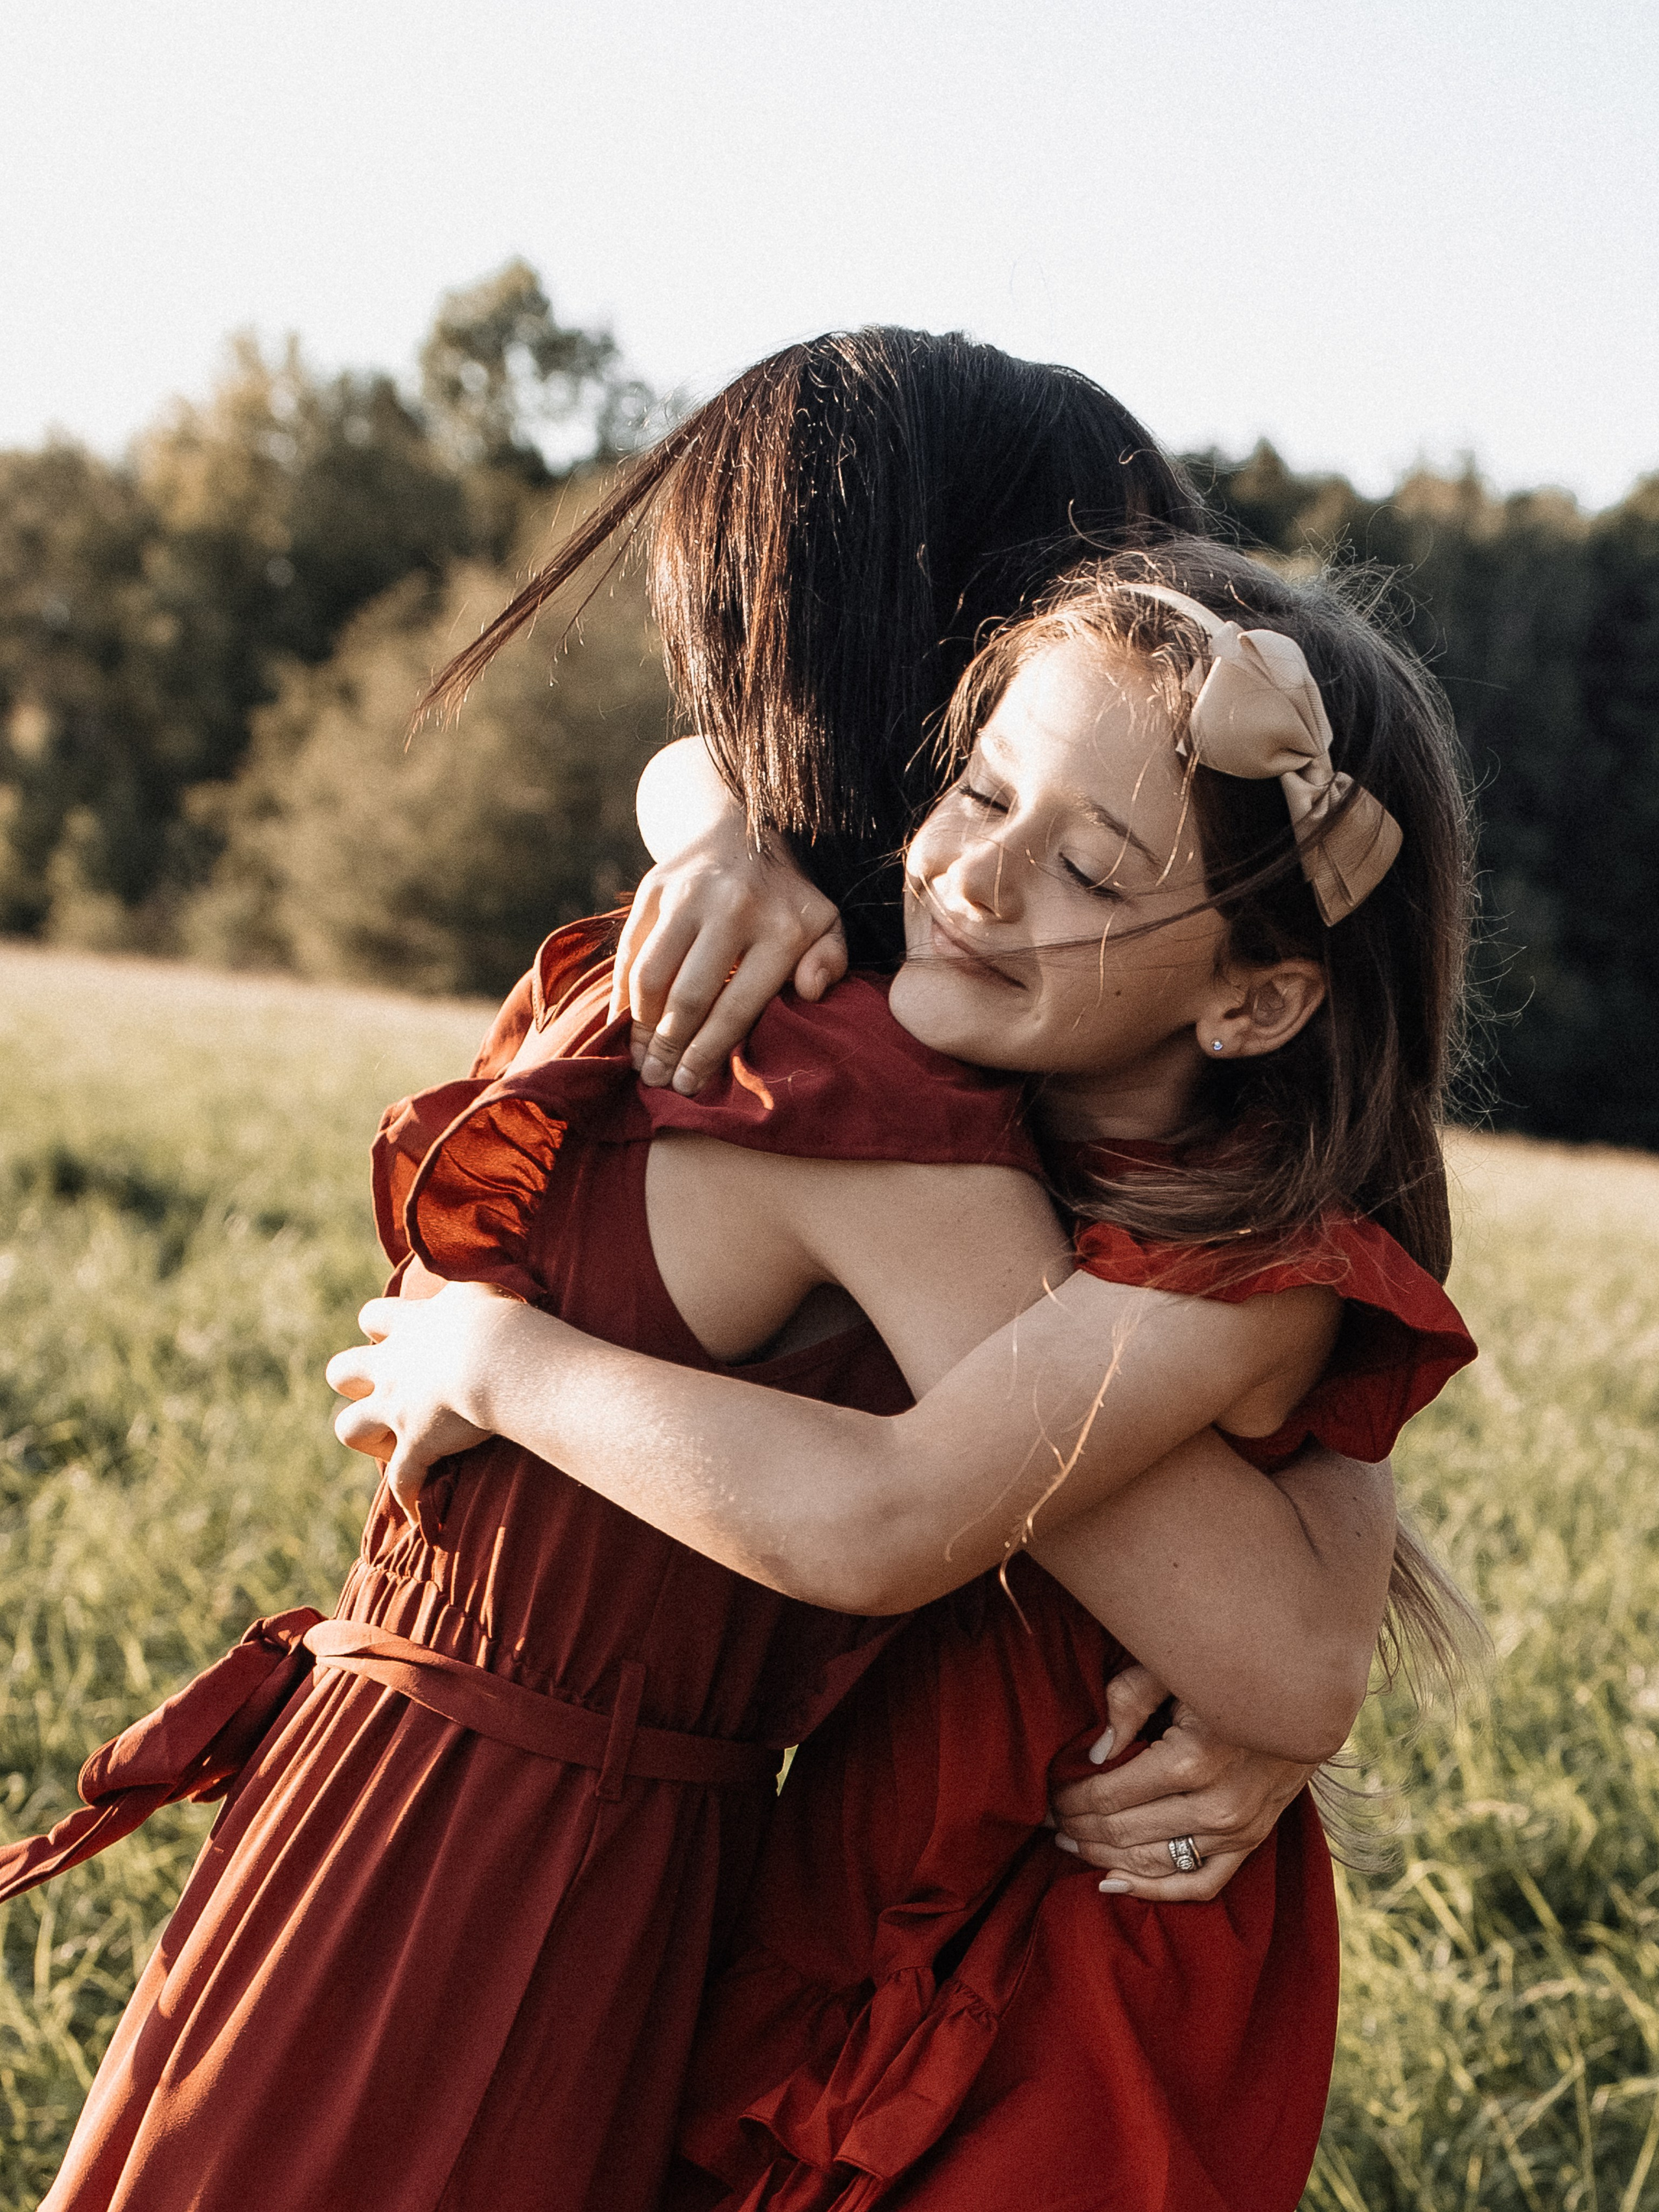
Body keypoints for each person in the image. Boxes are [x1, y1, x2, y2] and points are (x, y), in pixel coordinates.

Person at [3, 335, 1397, 2212]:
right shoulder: (868, 1110)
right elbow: (1290, 1646)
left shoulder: (684, 963)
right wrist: (1257, 1709)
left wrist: (710, 818)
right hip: (513, 1900)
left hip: (372, 1814)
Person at [331, 536, 1479, 2211]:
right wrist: (719, 827)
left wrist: (503, 1360)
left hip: (1075, 1945)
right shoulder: (1011, 1091)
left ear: (1259, 1005)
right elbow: (718, 771)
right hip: (875, 1873)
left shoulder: (1234, 1276)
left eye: (1089, 871)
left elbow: (890, 1521)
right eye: (978, 789)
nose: (975, 877)